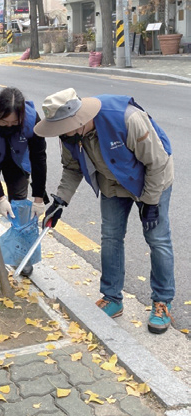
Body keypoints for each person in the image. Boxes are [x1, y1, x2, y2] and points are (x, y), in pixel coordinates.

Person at [35, 88, 175, 334]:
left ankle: (162, 301)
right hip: (112, 182)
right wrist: (60, 202)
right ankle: (112, 298)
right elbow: (72, 168)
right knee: (110, 237)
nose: (59, 133)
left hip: (152, 180)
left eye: (62, 127)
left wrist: (151, 203)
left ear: (77, 120)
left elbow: (158, 162)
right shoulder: (68, 135)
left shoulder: (127, 118)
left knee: (157, 239)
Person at [0, 87, 48, 276]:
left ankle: (20, 255)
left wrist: (38, 198)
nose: (9, 126)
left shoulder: (31, 120)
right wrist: (0, 197)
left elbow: (39, 158)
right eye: (4, 121)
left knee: (20, 205)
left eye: (14, 122)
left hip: (18, 161)